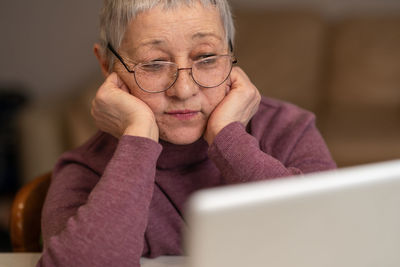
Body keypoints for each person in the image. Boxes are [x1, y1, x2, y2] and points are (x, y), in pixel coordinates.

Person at [37, 0, 336, 266]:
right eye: (153, 64)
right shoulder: (87, 170)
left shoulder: (288, 128)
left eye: (206, 58)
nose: (184, 90)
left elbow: (336, 237)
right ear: (107, 64)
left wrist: (228, 139)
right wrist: (139, 139)